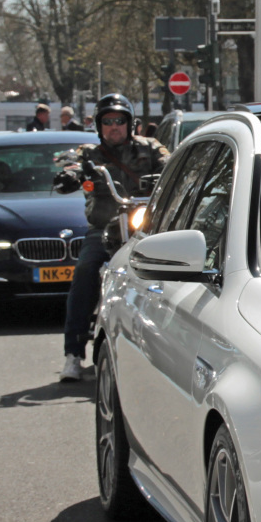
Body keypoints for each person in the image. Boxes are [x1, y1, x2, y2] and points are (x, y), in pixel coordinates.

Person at [59, 93, 170, 382]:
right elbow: (70, 162)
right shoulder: (90, 154)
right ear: (98, 126)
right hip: (105, 226)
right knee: (84, 270)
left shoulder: (150, 148)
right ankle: (73, 354)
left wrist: (173, 173)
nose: (114, 127)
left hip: (146, 228)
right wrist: (69, 174)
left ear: (130, 123)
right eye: (107, 122)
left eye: (119, 121)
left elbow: (172, 163)